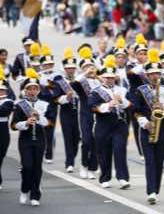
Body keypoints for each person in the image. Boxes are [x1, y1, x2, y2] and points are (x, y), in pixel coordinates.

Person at [132, 50, 164, 203]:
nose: (155, 76)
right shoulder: (141, 90)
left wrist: (162, 110)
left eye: (157, 73)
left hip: (161, 129)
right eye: (152, 74)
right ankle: (151, 192)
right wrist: (145, 123)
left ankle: (155, 189)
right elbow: (135, 110)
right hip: (146, 129)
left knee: (158, 161)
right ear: (147, 76)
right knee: (150, 161)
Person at [12, 69, 55, 207]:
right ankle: (25, 189)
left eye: (35, 89)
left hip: (40, 139)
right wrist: (25, 123)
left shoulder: (44, 105)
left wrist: (39, 117)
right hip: (25, 140)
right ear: (25, 90)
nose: (32, 91)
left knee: (37, 167)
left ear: (38, 90)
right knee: (27, 166)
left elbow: (50, 123)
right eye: (29, 89)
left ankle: (35, 194)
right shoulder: (20, 105)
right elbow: (13, 125)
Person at [89, 58, 132, 189]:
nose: (109, 80)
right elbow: (92, 107)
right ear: (102, 78)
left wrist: (122, 101)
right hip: (103, 124)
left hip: (119, 124)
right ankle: (105, 178)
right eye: (107, 77)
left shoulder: (122, 90)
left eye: (111, 77)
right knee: (104, 152)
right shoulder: (96, 91)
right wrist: (108, 105)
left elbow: (130, 106)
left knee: (120, 150)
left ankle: (123, 178)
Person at [51, 49, 81, 172]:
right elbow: (56, 99)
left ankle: (71, 157)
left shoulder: (79, 80)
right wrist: (66, 98)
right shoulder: (59, 82)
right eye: (68, 68)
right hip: (66, 113)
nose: (71, 70)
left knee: (76, 138)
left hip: (79, 114)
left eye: (72, 68)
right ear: (64, 68)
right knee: (68, 138)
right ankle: (70, 162)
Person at [72, 47, 100, 179]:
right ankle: (84, 165)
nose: (90, 69)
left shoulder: (99, 81)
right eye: (86, 67)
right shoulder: (81, 81)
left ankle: (92, 168)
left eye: (91, 66)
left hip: (99, 114)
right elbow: (74, 83)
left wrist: (97, 75)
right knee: (86, 141)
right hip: (85, 114)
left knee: (96, 141)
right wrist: (85, 73)